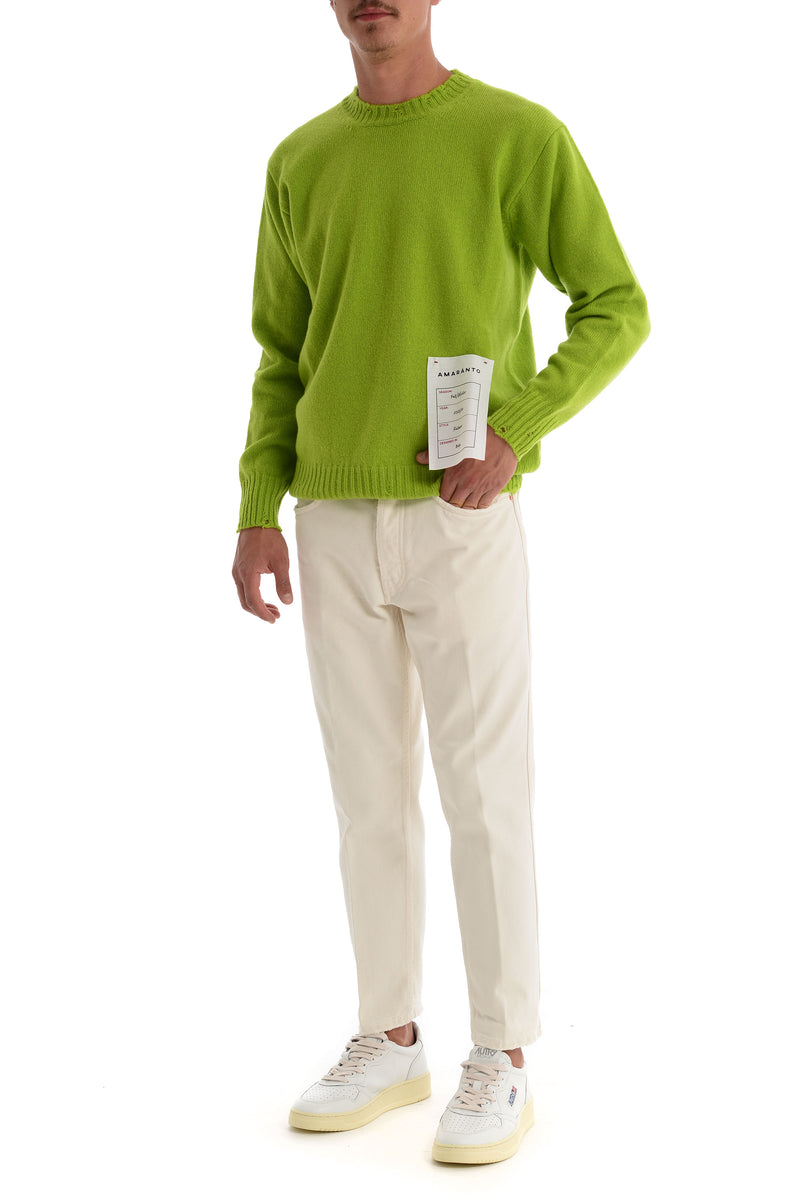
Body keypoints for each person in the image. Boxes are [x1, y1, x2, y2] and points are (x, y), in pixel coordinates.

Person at [231, 0, 650, 1166]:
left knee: (484, 793)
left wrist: (514, 429)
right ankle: (390, 1037)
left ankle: (501, 1054)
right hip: (329, 513)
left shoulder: (514, 135)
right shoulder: (299, 160)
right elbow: (280, 354)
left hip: (460, 516)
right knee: (365, 798)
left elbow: (614, 304)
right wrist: (258, 506)